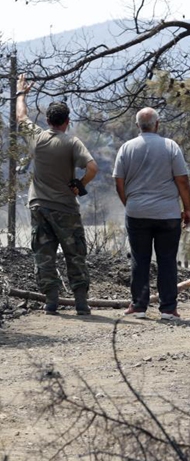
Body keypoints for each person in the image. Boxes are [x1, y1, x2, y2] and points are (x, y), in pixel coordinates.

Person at [16, 74, 99, 315]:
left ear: (47, 120)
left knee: (44, 255)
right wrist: (79, 184)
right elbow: (93, 168)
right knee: (75, 254)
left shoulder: (37, 138)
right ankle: (81, 303)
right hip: (65, 208)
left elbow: (21, 116)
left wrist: (22, 93)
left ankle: (51, 301)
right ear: (67, 121)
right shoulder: (72, 143)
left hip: (39, 206)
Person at [113, 107, 190, 321]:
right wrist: (187, 208)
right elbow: (182, 180)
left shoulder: (126, 148)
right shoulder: (170, 146)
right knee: (167, 260)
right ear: (157, 124)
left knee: (140, 259)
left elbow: (118, 181)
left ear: (137, 125)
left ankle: (139, 306)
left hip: (137, 211)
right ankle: (168, 308)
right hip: (167, 213)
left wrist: (128, 203)